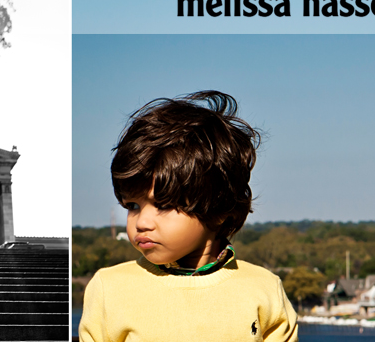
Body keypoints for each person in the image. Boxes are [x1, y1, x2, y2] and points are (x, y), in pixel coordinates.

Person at [79, 91, 298, 342]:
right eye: (133, 206)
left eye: (163, 205)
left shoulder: (264, 289)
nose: (141, 222)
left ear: (218, 210)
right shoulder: (110, 288)